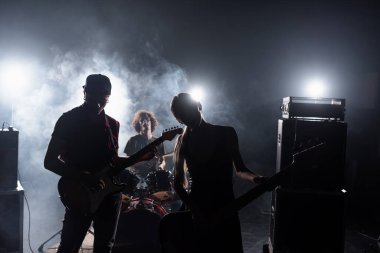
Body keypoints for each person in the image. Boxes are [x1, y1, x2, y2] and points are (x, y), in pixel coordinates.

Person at [44, 74, 154, 253]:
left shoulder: (113, 124)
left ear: (108, 97)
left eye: (102, 97)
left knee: (104, 247)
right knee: (68, 248)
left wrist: (140, 157)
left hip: (109, 197)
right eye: (92, 94)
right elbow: (49, 162)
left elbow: (112, 161)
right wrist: (84, 178)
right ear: (84, 91)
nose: (97, 101)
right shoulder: (68, 120)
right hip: (80, 194)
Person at [160, 93, 266, 253]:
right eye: (182, 115)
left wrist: (257, 179)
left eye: (189, 111)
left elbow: (241, 169)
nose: (188, 117)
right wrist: (195, 211)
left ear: (199, 106)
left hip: (225, 205)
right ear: (179, 119)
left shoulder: (227, 133)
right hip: (197, 207)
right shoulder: (183, 142)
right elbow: (177, 183)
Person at [123, 110, 167, 190]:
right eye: (141, 120)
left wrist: (161, 166)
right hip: (135, 178)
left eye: (147, 120)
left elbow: (162, 160)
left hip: (153, 178)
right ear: (138, 124)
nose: (145, 122)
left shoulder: (158, 141)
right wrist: (145, 162)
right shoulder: (132, 141)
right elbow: (127, 163)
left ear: (151, 122)